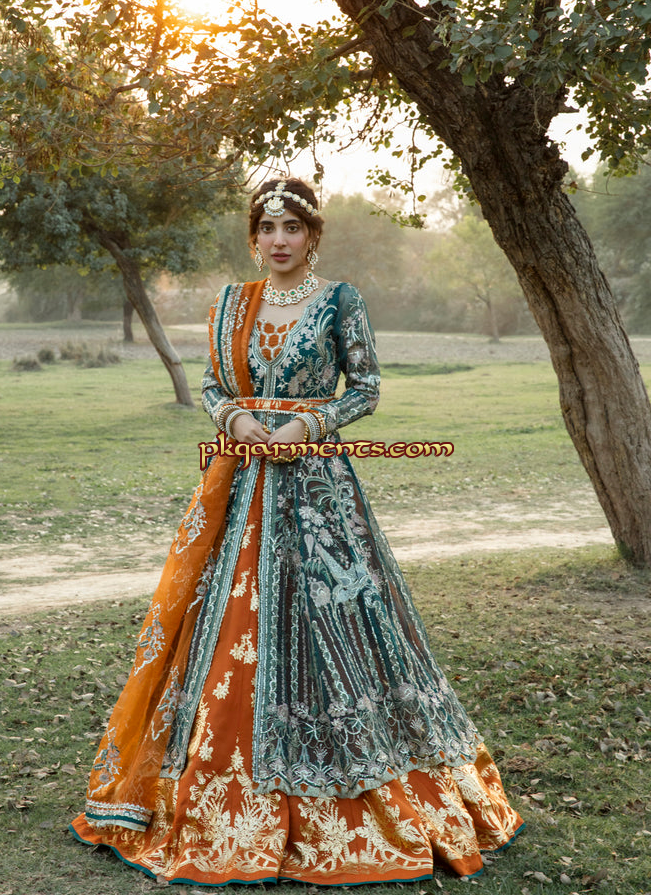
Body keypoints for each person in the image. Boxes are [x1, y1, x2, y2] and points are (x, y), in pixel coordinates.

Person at [70, 177, 524, 885]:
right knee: (225, 618)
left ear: (312, 236)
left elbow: (366, 388)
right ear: (254, 237)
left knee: (337, 615)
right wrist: (233, 416)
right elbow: (214, 384)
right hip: (241, 482)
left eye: (292, 227)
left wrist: (309, 422)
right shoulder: (233, 302)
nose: (278, 239)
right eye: (267, 227)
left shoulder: (341, 300)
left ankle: (352, 778)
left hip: (317, 488)